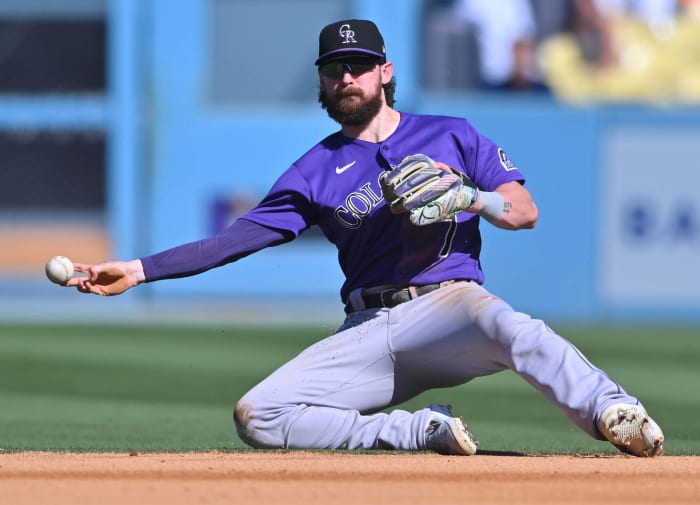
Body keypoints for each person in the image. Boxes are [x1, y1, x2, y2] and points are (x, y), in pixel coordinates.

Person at [65, 19, 664, 457]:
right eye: (333, 70)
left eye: (357, 65)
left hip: (448, 305)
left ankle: (613, 411)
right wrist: (141, 270)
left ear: (385, 71)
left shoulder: (451, 135)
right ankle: (417, 431)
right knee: (259, 415)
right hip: (368, 328)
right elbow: (236, 239)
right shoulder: (313, 170)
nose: (346, 76)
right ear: (323, 84)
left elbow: (524, 211)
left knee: (513, 327)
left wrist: (473, 199)